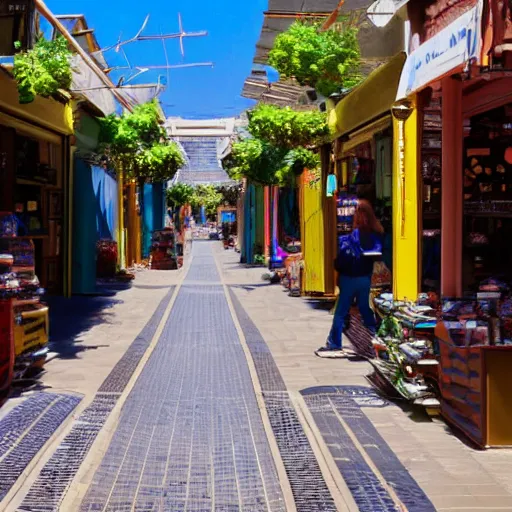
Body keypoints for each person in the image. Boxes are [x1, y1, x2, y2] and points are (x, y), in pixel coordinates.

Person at [316, 200, 384, 357]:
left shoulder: (352, 236)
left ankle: (334, 343)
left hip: (348, 278)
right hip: (364, 278)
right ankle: (373, 338)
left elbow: (340, 259)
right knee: (365, 309)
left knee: (341, 311)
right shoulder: (376, 234)